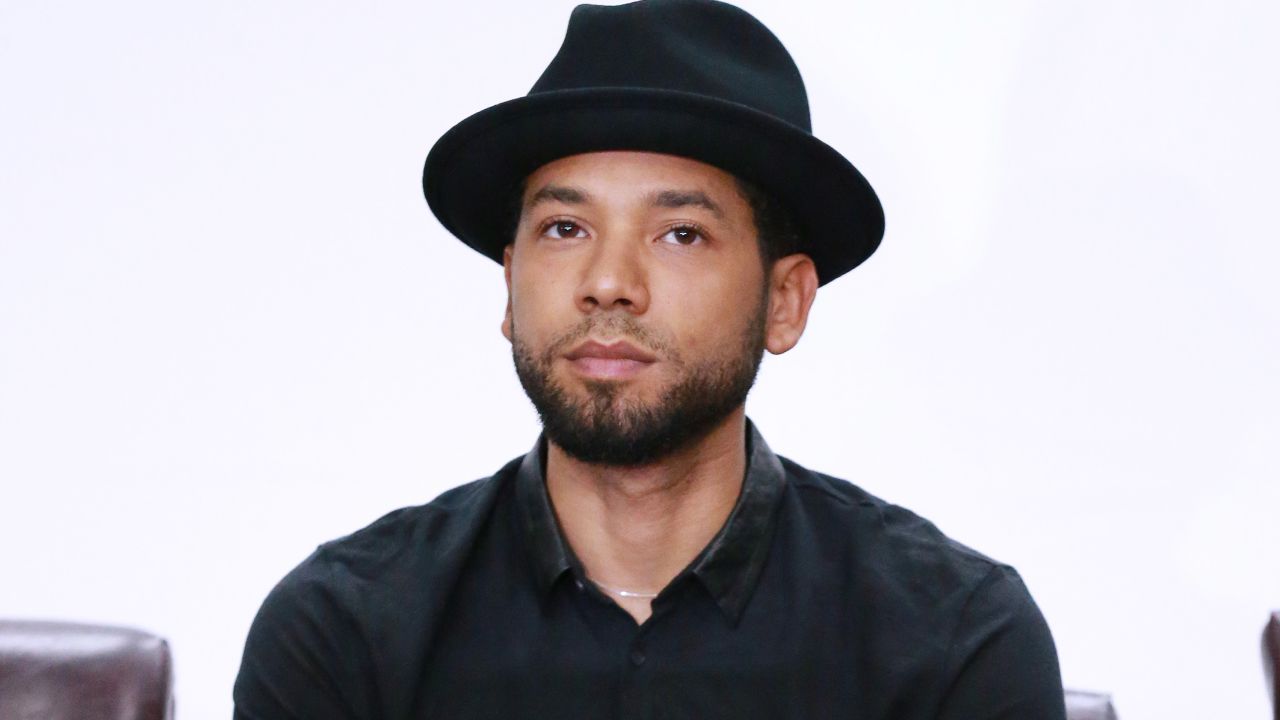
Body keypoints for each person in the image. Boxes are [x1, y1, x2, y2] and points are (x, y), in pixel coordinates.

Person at [232, 1, 1066, 718]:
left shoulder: (949, 644)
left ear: (786, 302)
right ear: (510, 283)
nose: (607, 284)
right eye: (565, 229)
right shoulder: (347, 633)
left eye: (679, 234)